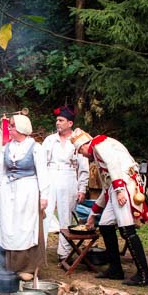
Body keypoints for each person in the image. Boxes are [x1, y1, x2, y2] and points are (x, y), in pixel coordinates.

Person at [72, 128, 148, 287]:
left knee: (127, 229)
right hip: (117, 187)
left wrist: (119, 189)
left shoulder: (99, 144)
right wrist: (93, 213)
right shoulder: (98, 151)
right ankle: (115, 268)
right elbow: (106, 188)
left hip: (124, 186)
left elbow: (114, 165)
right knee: (105, 225)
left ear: (84, 144)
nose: (81, 154)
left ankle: (144, 274)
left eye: (80, 150)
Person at [0, 113, 50, 281]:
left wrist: (44, 196)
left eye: (11, 126)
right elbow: (1, 172)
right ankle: (10, 265)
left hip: (27, 190)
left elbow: (43, 173)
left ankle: (28, 267)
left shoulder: (35, 148)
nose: (9, 129)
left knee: (25, 226)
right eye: (9, 126)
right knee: (9, 224)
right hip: (8, 190)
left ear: (20, 129)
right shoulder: (6, 148)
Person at [41, 106, 89, 270]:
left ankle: (64, 253)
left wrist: (82, 188)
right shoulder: (49, 140)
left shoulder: (77, 141)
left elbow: (83, 167)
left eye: (61, 120)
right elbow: (41, 163)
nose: (58, 123)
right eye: (57, 120)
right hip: (50, 174)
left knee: (65, 215)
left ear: (70, 123)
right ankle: (40, 250)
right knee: (44, 213)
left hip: (69, 177)